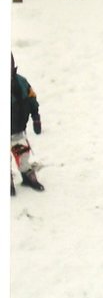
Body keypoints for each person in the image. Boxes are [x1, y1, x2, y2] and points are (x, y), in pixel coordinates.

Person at [11, 53, 44, 195]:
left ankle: (26, 174)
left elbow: (32, 99)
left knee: (23, 153)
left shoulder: (22, 82)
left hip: (18, 130)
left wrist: (36, 117)